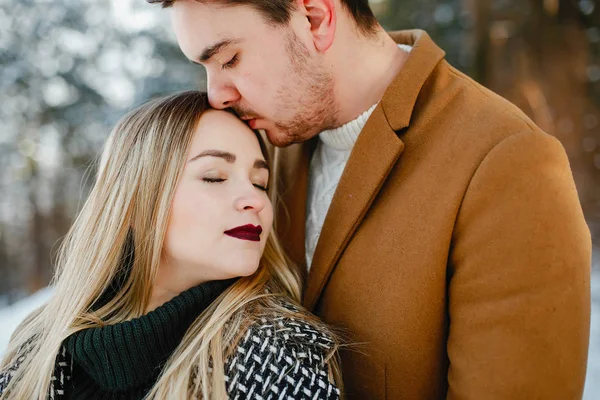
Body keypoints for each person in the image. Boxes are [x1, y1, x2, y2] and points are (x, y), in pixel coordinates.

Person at [149, 0, 593, 399]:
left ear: (315, 18)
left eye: (230, 58)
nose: (216, 95)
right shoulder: (260, 158)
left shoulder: (507, 163)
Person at [0, 91, 342, 399]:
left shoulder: (277, 353)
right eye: (215, 177)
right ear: (135, 202)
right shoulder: (38, 342)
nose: (254, 200)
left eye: (260, 182)